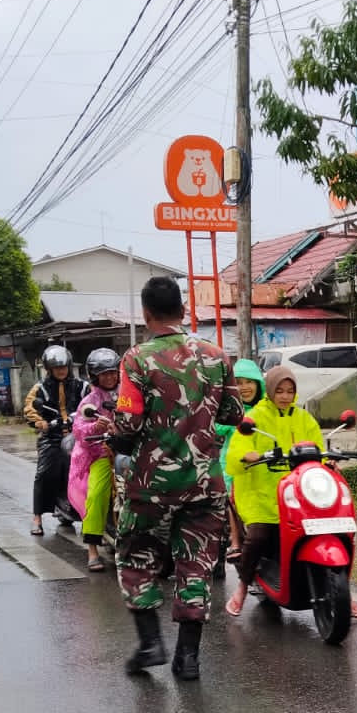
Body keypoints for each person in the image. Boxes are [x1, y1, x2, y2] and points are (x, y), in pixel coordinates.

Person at [113, 276, 243, 679]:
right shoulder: (217, 356)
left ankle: (151, 643)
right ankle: (188, 658)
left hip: (150, 486)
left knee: (137, 557)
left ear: (146, 313)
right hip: (205, 484)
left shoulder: (136, 359)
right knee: (197, 565)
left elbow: (127, 426)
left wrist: (118, 438)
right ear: (184, 312)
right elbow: (233, 416)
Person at [223, 363, 357, 619]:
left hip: (301, 491)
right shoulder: (255, 418)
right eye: (280, 390)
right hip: (261, 491)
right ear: (270, 391)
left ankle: (344, 591)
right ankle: (243, 586)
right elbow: (236, 452)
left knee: (337, 527)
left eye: (290, 390)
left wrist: (327, 461)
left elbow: (317, 448)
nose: (285, 396)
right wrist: (249, 455)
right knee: (258, 536)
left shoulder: (304, 418)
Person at [69, 347, 122, 572]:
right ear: (95, 376)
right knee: (97, 494)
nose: (110, 377)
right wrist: (95, 426)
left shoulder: (129, 393)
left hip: (129, 451)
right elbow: (79, 429)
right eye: (104, 373)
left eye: (113, 372)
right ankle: (92, 549)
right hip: (101, 453)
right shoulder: (90, 401)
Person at [24, 345, 81, 536]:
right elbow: (30, 408)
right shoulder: (40, 388)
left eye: (64, 367)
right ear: (49, 369)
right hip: (53, 437)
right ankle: (37, 518)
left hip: (80, 436)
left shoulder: (82, 385)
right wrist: (41, 423)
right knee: (44, 473)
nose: (61, 370)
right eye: (57, 368)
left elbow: (93, 400)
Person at [219, 358, 266, 563]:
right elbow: (215, 426)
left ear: (259, 384)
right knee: (232, 495)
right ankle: (235, 540)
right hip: (234, 464)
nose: (245, 387)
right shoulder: (229, 411)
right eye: (239, 382)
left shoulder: (268, 408)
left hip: (265, 463)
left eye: (250, 381)